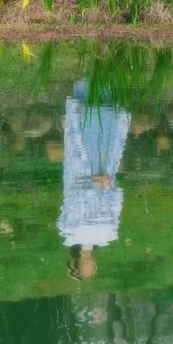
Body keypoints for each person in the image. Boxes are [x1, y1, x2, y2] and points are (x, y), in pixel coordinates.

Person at [57, 79, 130, 281]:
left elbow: (72, 200)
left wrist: (93, 183)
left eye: (86, 269)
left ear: (76, 264)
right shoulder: (107, 235)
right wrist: (108, 186)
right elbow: (115, 207)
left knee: (82, 134)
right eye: (93, 269)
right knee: (108, 133)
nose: (90, 266)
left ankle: (86, 84)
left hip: (82, 172)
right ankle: (110, 82)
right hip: (105, 173)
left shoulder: (69, 232)